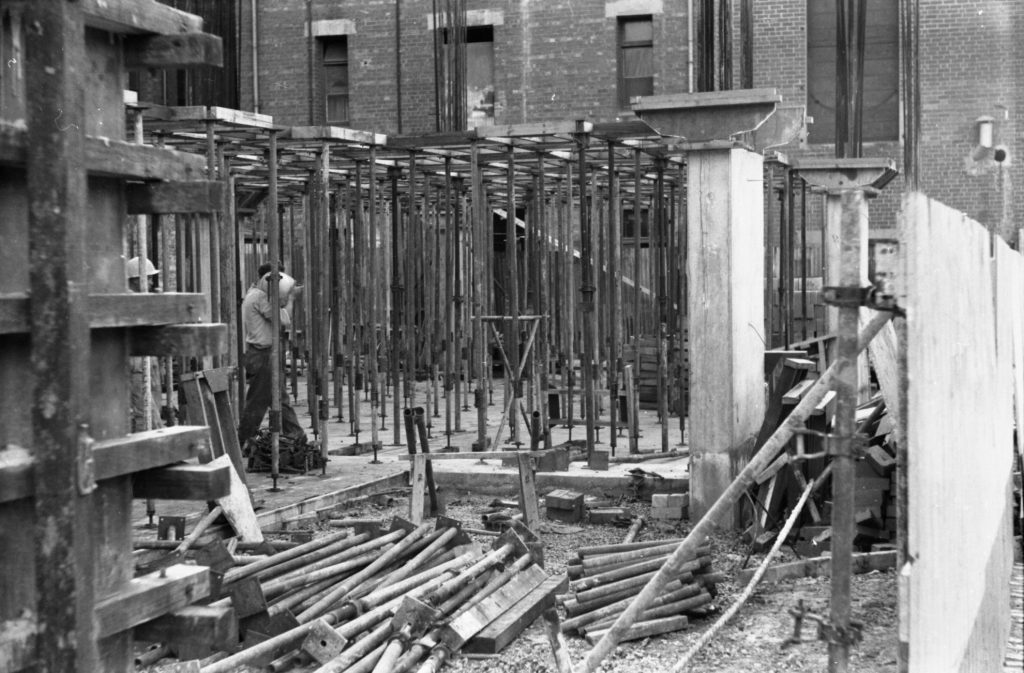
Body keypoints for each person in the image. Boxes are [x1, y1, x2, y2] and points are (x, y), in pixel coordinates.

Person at [237, 262, 307, 446]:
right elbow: (283, 319)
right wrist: (291, 298)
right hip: (262, 355)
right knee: (257, 403)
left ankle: (296, 435)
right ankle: (241, 441)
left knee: (280, 399)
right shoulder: (260, 297)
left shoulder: (255, 294)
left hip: (264, 354)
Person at [127, 256, 163, 432]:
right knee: (144, 411)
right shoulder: (131, 301)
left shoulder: (142, 299)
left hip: (146, 359)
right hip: (138, 362)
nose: (150, 283)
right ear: (135, 279)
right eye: (147, 278)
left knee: (153, 407)